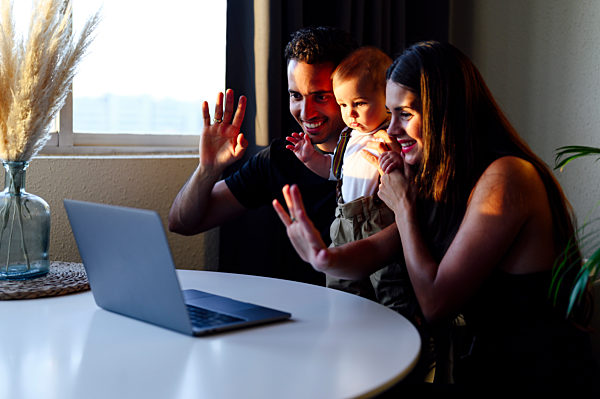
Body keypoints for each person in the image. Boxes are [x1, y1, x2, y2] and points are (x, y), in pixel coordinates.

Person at [273, 41, 597, 391]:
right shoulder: (441, 179)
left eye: (405, 114)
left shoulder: (506, 177)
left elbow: (436, 303)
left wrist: (405, 209)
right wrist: (322, 255)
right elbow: (375, 252)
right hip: (481, 368)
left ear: (446, 113)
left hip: (534, 377)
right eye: (390, 112)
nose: (392, 130)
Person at [168, 26, 357, 286]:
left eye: (321, 96)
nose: (306, 112)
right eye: (296, 96)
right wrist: (207, 169)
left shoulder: (374, 159)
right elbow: (181, 223)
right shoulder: (279, 159)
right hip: (285, 313)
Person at [286, 46, 420, 322]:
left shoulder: (389, 135)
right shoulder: (348, 138)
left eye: (359, 103)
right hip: (344, 221)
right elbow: (333, 171)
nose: (351, 114)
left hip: (378, 221)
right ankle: (344, 327)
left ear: (386, 98)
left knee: (389, 284)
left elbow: (409, 176)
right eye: (343, 105)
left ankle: (399, 329)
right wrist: (310, 157)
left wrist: (394, 160)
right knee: (340, 286)